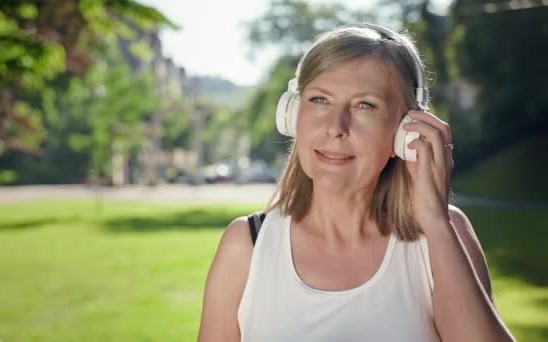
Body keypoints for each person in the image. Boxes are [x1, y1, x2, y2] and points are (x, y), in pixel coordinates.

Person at [197, 23, 515, 341]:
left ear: (406, 131)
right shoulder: (247, 245)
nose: (336, 127)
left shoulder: (442, 236)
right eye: (320, 100)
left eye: (365, 105)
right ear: (293, 115)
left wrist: (435, 220)